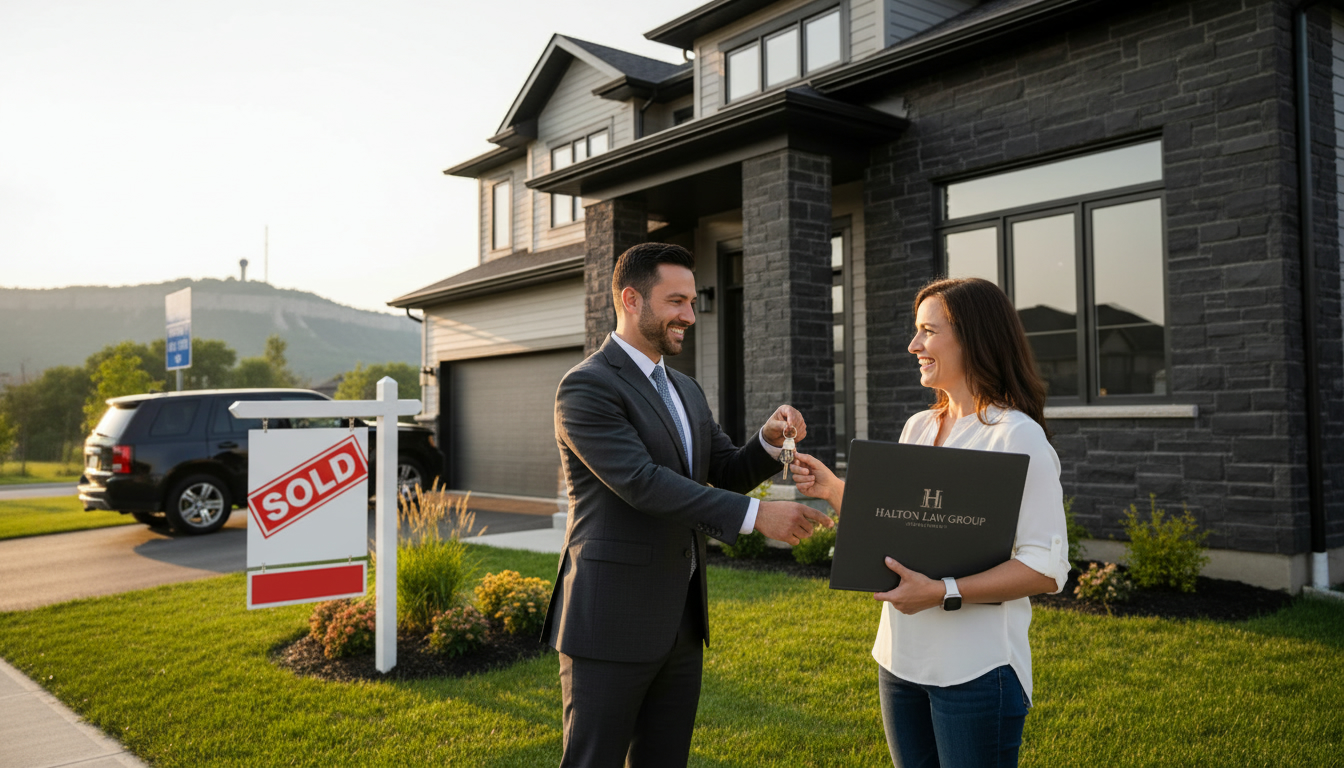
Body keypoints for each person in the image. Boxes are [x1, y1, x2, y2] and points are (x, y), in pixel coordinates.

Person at [543, 241, 834, 768]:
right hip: (609, 620)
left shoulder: (685, 389)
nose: (689, 316)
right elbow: (642, 482)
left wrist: (767, 443)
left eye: (692, 302)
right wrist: (755, 517)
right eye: (676, 301)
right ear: (632, 299)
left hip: (680, 620)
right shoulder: (586, 387)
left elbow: (721, 469)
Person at [789, 277, 1069, 768]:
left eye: (927, 331)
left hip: (976, 671)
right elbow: (898, 524)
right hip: (899, 661)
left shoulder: (1017, 437)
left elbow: (1046, 569)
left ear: (972, 338)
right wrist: (833, 488)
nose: (913, 345)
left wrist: (943, 591)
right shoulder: (918, 427)